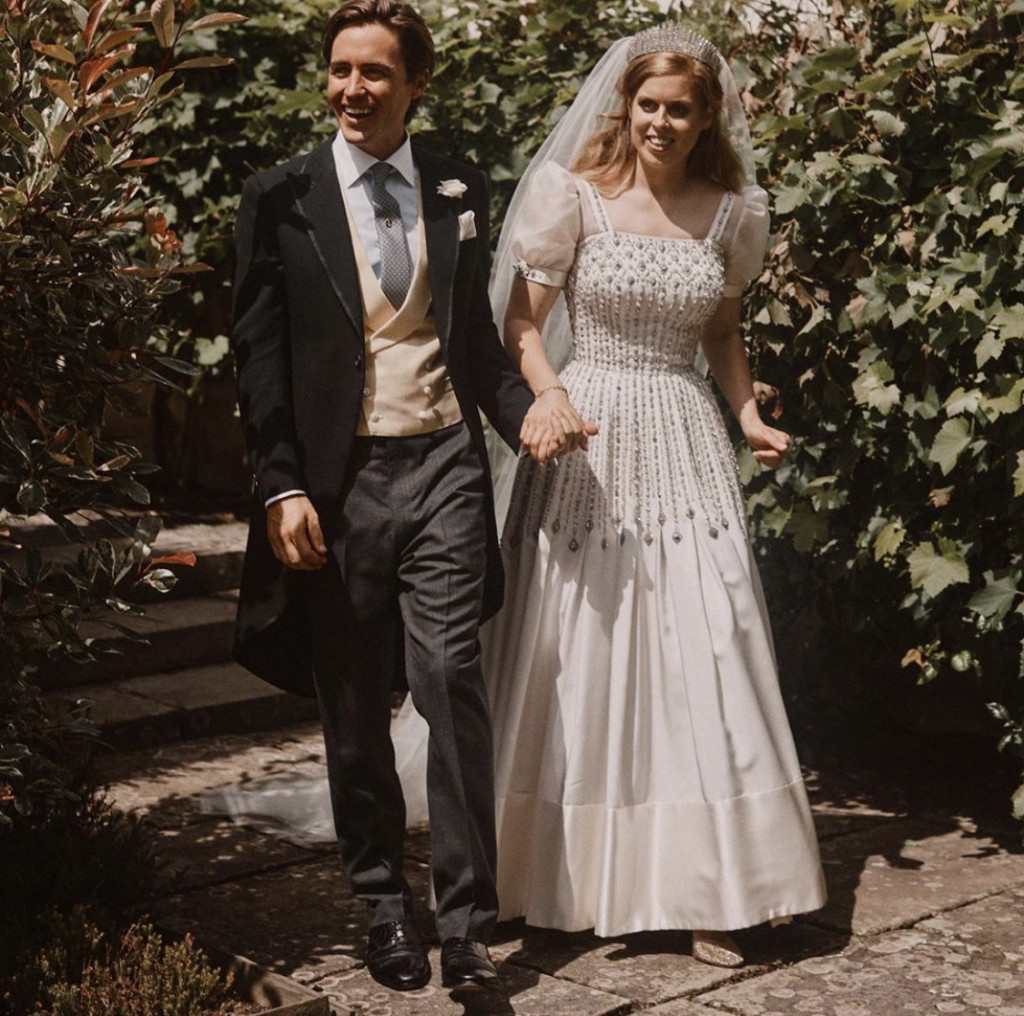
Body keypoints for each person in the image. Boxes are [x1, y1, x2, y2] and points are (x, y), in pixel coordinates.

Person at [480, 24, 827, 967]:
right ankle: (532, 874)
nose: (661, 123)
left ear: (707, 115)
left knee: (707, 641)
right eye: (648, 105)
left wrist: (747, 415)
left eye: (680, 108)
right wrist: (549, 396)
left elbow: (721, 332)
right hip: (587, 434)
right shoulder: (572, 197)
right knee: (574, 648)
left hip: (684, 432)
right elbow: (522, 325)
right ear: (624, 107)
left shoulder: (732, 214)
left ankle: (717, 887)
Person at [229, 0, 543, 994]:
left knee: (451, 678)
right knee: (357, 701)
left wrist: (529, 415)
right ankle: (381, 905)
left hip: (445, 461)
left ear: (416, 83)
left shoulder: (458, 185)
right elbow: (258, 358)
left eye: (373, 72)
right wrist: (281, 483)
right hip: (340, 482)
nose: (351, 89)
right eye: (339, 70)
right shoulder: (279, 197)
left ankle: (467, 925)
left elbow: (473, 339)